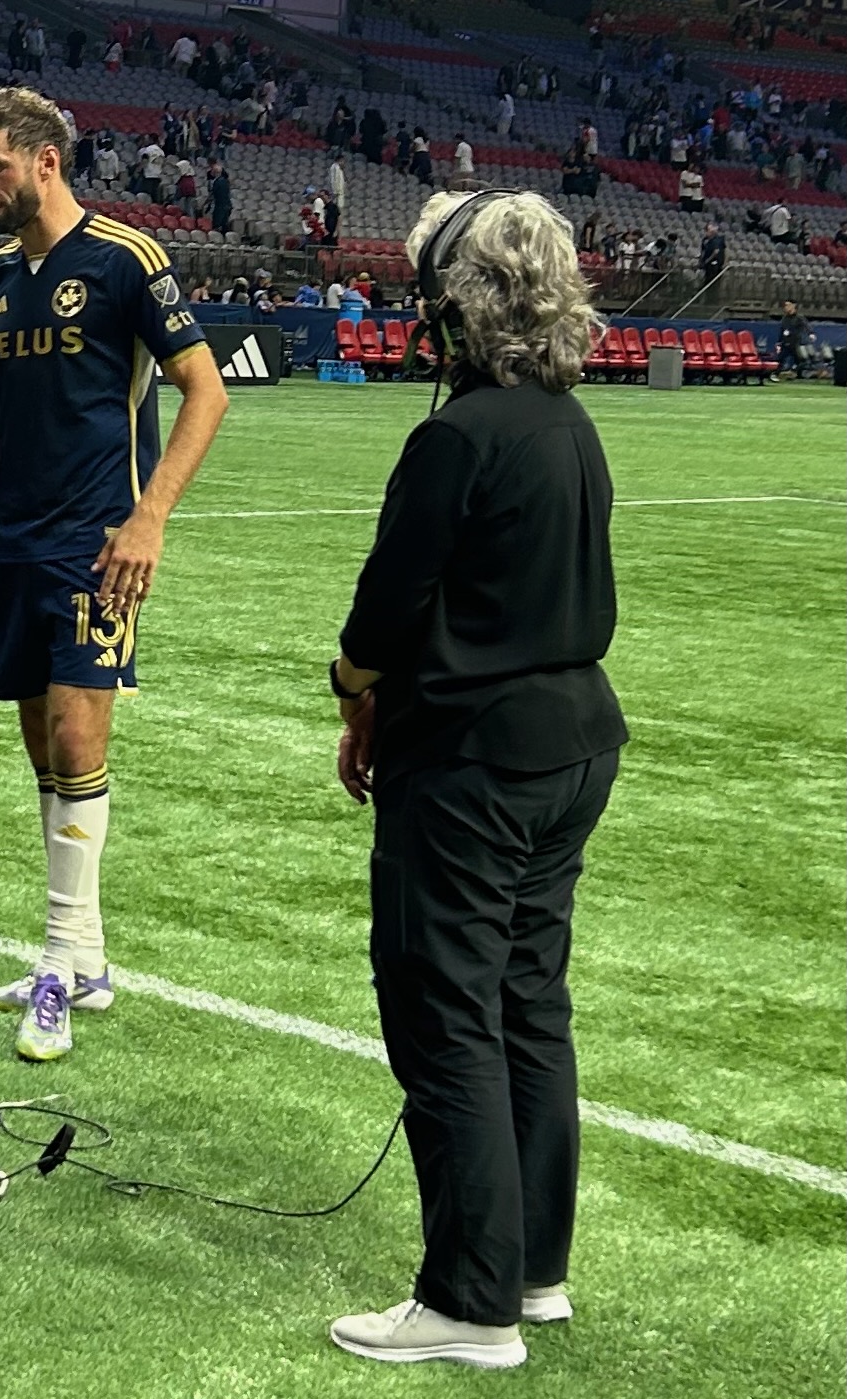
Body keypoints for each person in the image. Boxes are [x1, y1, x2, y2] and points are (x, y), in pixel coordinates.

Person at [327, 189, 626, 1369]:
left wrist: (353, 687)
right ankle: (532, 1271)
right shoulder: (570, 421)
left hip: (473, 757)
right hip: (572, 741)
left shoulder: (458, 436)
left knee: (447, 1007)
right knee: (527, 1002)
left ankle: (468, 1298)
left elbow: (383, 615)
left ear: (455, 303)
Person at [0, 88, 228, 1063]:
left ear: (45, 162)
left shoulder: (125, 259)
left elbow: (206, 390)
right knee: (45, 756)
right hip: (15, 538)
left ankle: (58, 963)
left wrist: (150, 517)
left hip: (99, 543)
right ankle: (83, 959)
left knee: (76, 732)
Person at [776, 300, 811, 378]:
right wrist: (779, 342)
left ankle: (796, 373)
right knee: (780, 359)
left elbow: (806, 326)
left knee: (800, 360)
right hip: (785, 343)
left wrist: (811, 333)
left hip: (795, 343)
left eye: (788, 305)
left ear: (793, 306)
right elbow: (782, 330)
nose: (786, 307)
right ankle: (776, 374)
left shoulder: (799, 317)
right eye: (785, 305)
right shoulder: (784, 318)